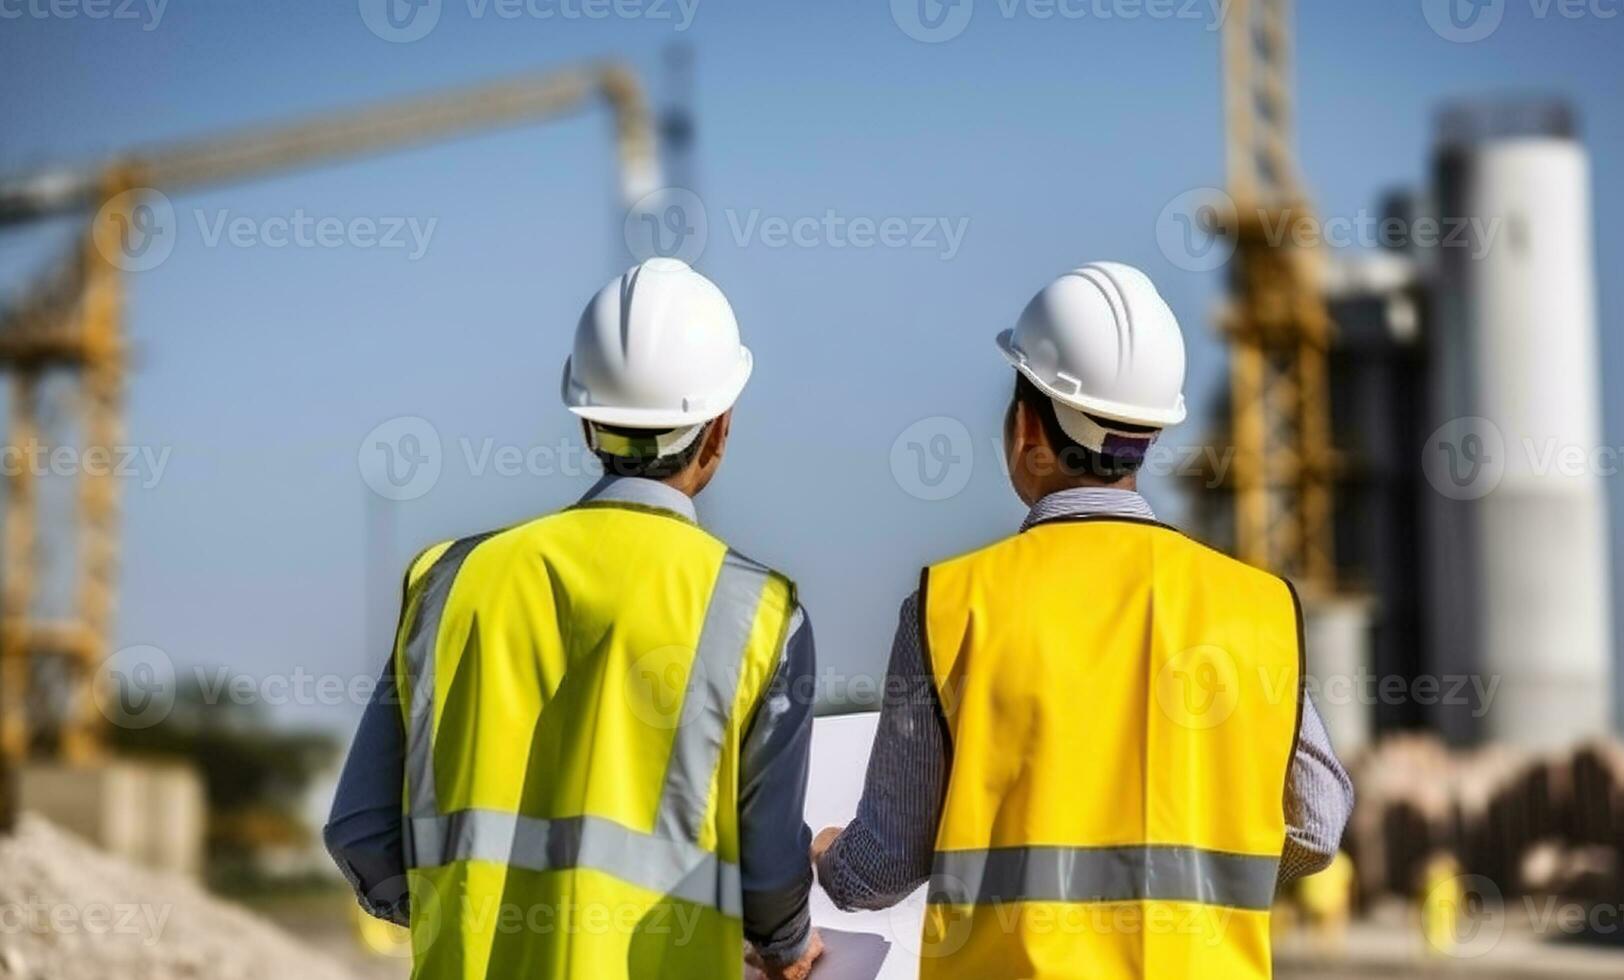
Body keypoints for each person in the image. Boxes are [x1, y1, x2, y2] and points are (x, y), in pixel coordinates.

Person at [812, 261, 1354, 978]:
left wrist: (826, 856)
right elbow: (1316, 823)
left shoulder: (950, 606)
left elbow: (877, 870)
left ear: (1025, 426)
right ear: (1151, 435)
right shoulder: (1255, 610)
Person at [325, 258, 823, 980]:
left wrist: (461, 911)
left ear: (587, 421)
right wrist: (785, 946)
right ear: (718, 429)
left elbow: (363, 835)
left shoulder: (447, 580)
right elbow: (769, 880)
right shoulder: (757, 612)